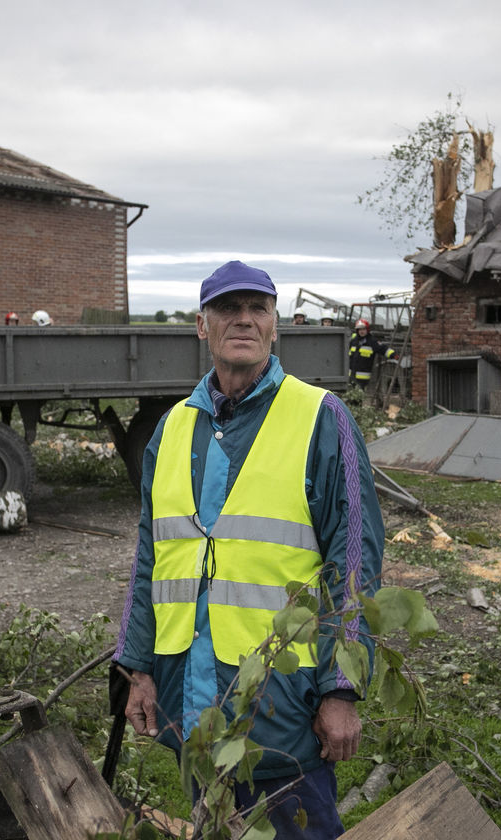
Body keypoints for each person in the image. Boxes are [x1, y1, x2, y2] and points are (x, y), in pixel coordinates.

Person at [113, 260, 384, 839]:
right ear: (201, 325)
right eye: (228, 310)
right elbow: (150, 556)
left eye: (257, 309)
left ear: (275, 325)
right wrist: (136, 666)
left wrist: (340, 689)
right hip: (192, 693)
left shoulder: (320, 418)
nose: (243, 320)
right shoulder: (172, 429)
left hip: (281, 702)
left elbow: (353, 559)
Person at [348, 319, 394, 387]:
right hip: (351, 375)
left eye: (363, 329)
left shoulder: (372, 341)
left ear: (367, 330)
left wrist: (393, 354)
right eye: (359, 329)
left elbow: (382, 348)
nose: (361, 331)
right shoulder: (354, 341)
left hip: (363, 377)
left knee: (360, 394)